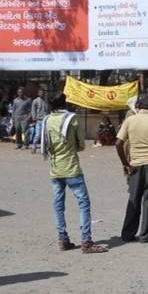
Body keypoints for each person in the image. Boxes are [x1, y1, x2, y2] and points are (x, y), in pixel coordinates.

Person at [43, 93, 107, 253]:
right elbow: (81, 145)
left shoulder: (47, 120)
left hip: (55, 168)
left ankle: (63, 239)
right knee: (83, 203)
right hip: (71, 167)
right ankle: (86, 241)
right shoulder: (72, 119)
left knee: (58, 205)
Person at [116, 92, 148, 243]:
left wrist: (125, 163)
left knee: (133, 198)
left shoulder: (130, 120)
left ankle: (127, 234)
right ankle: (146, 234)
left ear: (138, 105)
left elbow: (118, 143)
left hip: (135, 164)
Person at [30, 88, 49, 152]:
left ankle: (45, 148)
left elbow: (48, 110)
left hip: (46, 120)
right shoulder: (35, 101)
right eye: (40, 92)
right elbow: (33, 110)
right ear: (38, 93)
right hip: (39, 120)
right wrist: (34, 118)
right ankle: (34, 147)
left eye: (43, 92)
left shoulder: (46, 101)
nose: (42, 93)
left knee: (46, 135)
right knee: (37, 135)